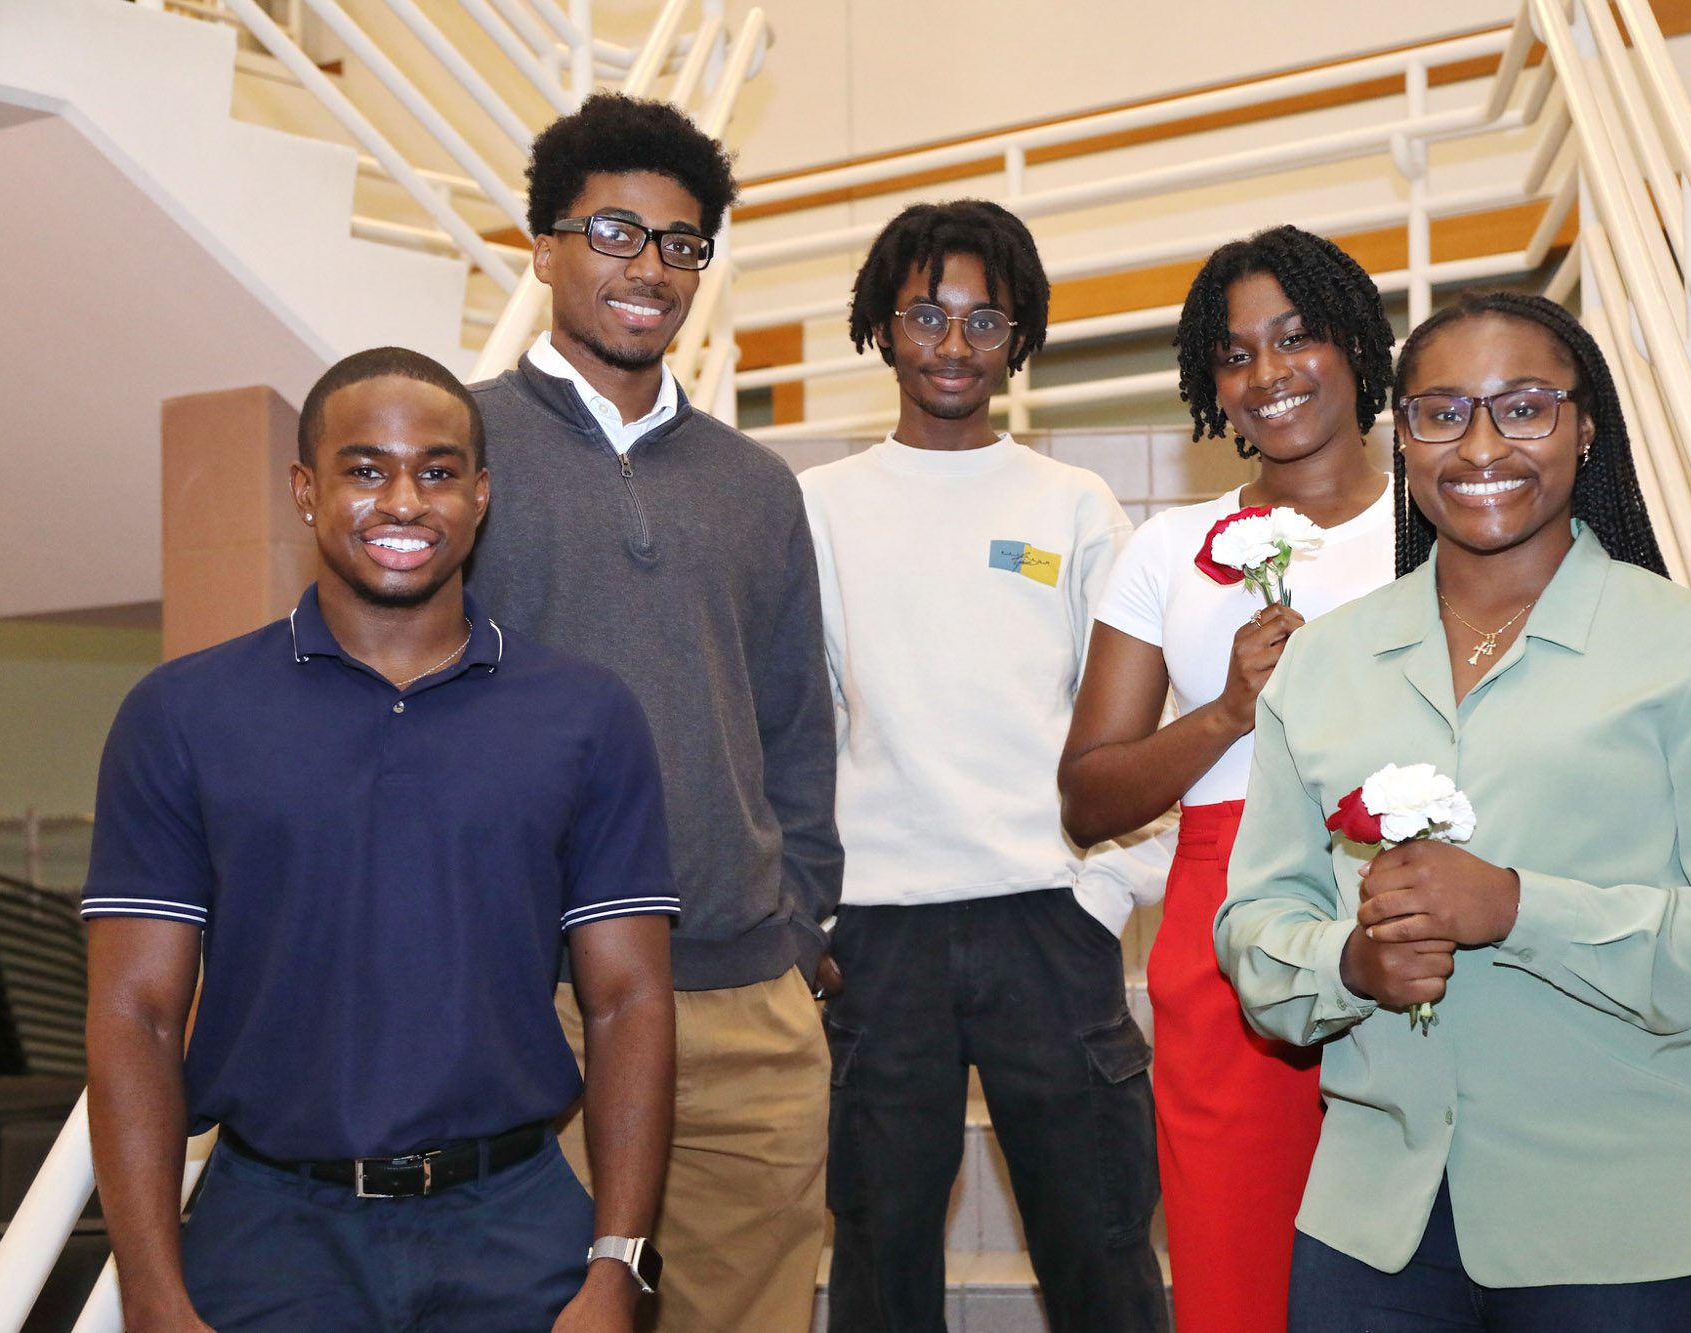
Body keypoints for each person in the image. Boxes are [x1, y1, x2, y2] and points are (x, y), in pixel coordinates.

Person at [1215, 290, 1691, 1330]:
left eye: (1522, 407)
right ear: (1402, 438)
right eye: (1440, 411)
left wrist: (1518, 907)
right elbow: (1253, 928)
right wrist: (1349, 965)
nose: (1479, 445)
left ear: (1583, 425)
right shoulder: (1324, 664)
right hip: (1377, 1227)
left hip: (1635, 1224)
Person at [82, 347, 678, 1332]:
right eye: (366, 469)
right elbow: (136, 1015)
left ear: (479, 495)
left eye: (437, 471)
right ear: (306, 491)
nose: (404, 499)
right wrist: (149, 1290)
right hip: (270, 1232)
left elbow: (626, 1000)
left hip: (517, 1227)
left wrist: (615, 1266)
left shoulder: (585, 715)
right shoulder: (181, 714)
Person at [466, 93, 843, 1332]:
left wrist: (796, 923)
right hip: (533, 994)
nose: (652, 268)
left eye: (681, 244)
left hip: (744, 992)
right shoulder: (459, 449)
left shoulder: (754, 486)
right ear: (543, 245)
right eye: (616, 231)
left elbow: (795, 724)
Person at [797, 199, 1170, 1332]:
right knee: (877, 1257)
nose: (952, 345)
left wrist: (1102, 893)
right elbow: (795, 726)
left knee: (1100, 1246)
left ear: (1018, 337)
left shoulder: (1071, 503)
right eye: (924, 314)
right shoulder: (815, 508)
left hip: (1045, 921)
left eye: (983, 320)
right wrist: (812, 920)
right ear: (880, 326)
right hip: (877, 934)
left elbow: (1138, 722)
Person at [1058, 225, 1396, 1331]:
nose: (1268, 374)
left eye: (1295, 338)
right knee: (1237, 1268)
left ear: (1354, 343)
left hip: (1413, 900)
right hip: (1225, 920)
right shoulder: (1167, 548)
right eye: (1236, 353)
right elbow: (1089, 794)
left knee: (1421, 1262)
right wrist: (1225, 715)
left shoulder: (1445, 520)